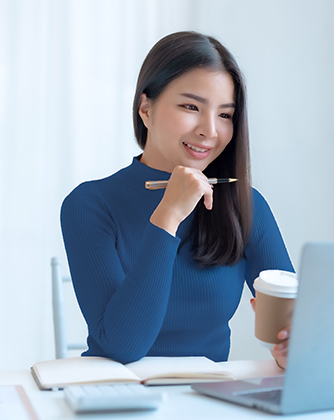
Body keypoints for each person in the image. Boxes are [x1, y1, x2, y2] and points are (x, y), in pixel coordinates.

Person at [60, 31, 294, 368]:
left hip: (208, 401)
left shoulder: (246, 206)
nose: (209, 130)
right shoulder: (89, 205)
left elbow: (294, 324)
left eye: (225, 115)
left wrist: (293, 347)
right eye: (191, 107)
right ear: (145, 108)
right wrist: (168, 216)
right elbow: (122, 347)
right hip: (117, 396)